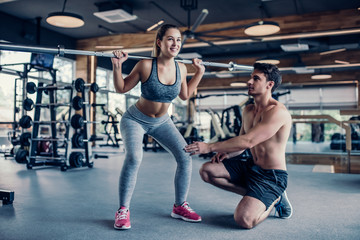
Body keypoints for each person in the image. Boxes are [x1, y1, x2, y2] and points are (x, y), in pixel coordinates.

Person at [111, 24, 205, 230]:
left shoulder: (181, 68)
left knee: (185, 156)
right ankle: (123, 210)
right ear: (159, 42)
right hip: (135, 120)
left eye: (179, 40)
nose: (175, 43)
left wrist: (199, 72)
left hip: (162, 122)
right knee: (135, 157)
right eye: (170, 39)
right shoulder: (145, 65)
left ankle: (180, 206)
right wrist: (117, 66)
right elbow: (121, 88)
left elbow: (185, 94)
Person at [184, 62, 293, 229]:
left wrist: (210, 147)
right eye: (251, 77)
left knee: (244, 220)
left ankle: (275, 199)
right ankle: (258, 196)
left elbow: (249, 140)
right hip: (250, 167)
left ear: (269, 84)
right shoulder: (248, 110)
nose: (249, 82)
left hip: (271, 176)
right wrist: (229, 154)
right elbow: (242, 142)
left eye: (256, 78)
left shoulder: (277, 112)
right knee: (207, 171)